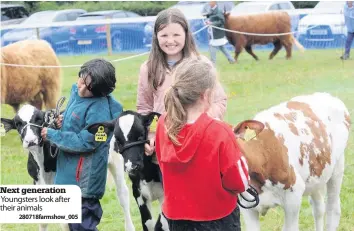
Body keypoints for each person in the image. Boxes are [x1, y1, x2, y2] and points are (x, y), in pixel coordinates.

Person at [155, 57, 248, 231]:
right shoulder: (220, 131)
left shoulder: (163, 124)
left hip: (177, 217)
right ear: (206, 94)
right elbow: (239, 182)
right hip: (218, 217)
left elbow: (162, 164)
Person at [41, 58, 123, 231]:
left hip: (84, 181)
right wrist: (61, 123)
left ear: (101, 92)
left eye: (89, 88)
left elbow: (86, 142)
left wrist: (54, 135)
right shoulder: (76, 94)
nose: (82, 88)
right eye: (82, 80)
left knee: (83, 226)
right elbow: (75, 125)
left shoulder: (100, 109)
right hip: (69, 175)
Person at [136, 8, 228, 158]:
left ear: (186, 34)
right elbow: (144, 108)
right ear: (156, 37)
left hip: (200, 145)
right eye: (164, 35)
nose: (170, 41)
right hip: (165, 150)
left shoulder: (202, 64)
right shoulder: (148, 68)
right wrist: (150, 134)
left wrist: (198, 123)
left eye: (176, 35)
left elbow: (219, 101)